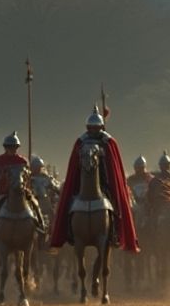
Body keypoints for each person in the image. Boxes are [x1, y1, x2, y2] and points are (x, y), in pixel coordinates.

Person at [49, 107, 138, 252]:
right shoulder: (81, 141)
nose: (94, 130)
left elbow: (113, 165)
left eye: (96, 127)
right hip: (82, 179)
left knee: (115, 203)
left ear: (101, 127)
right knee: (70, 202)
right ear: (87, 127)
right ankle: (68, 232)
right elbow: (74, 166)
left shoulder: (108, 141)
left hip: (104, 180)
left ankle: (114, 231)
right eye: (91, 128)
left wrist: (103, 156)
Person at [0, 132, 46, 233]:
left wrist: (27, 185)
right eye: (10, 147)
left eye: (14, 147)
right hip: (3, 192)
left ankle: (40, 225)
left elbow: (28, 176)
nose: (12, 149)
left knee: (35, 204)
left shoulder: (22, 161)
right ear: (6, 147)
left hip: (22, 191)